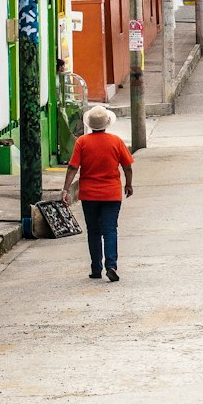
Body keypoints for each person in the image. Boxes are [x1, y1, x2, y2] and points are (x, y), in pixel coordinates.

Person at [62, 105, 134, 282]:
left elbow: (73, 167)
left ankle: (96, 269)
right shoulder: (116, 141)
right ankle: (111, 265)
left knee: (94, 232)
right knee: (110, 230)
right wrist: (129, 185)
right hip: (111, 194)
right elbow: (127, 167)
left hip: (89, 195)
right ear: (107, 123)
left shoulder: (82, 142)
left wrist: (65, 189)